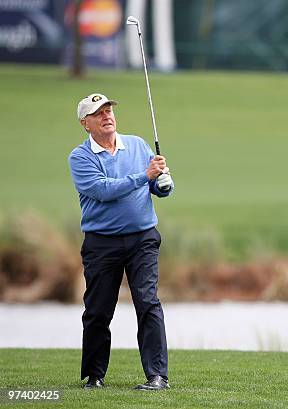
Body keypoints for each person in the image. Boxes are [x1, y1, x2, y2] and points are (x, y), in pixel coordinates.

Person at [69, 93, 174, 389]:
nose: (106, 116)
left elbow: (155, 185)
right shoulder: (80, 157)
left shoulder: (138, 145)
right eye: (98, 113)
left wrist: (163, 182)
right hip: (102, 244)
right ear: (85, 123)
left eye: (109, 110)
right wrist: (145, 176)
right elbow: (103, 190)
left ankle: (157, 376)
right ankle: (95, 376)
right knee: (98, 310)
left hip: (143, 239)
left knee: (148, 302)